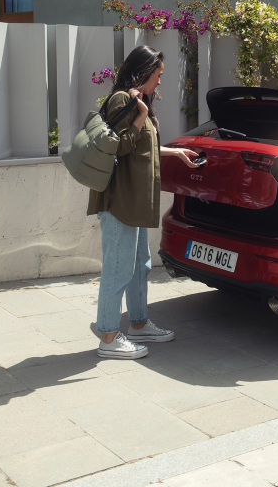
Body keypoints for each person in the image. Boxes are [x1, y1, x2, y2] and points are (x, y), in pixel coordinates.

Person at [88, 45, 197, 359]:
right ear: (144, 71)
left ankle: (138, 324)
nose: (160, 81)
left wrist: (176, 153)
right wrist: (143, 115)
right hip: (120, 200)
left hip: (134, 200)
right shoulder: (123, 100)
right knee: (118, 269)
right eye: (158, 74)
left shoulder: (136, 102)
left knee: (138, 266)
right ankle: (108, 337)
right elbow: (120, 148)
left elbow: (140, 148)